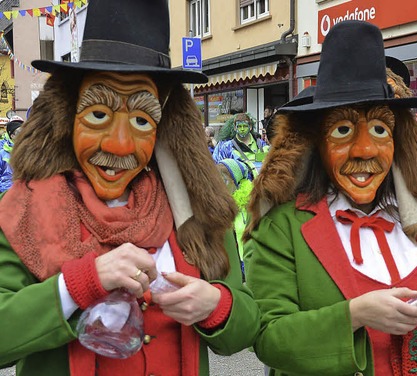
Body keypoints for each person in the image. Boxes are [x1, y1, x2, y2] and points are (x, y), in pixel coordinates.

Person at [0, 0, 260, 374]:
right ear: (66, 113)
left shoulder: (194, 206)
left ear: (164, 124)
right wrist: (79, 285)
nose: (118, 145)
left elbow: (247, 326)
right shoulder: (22, 209)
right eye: (99, 115)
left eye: (141, 120)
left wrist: (216, 305)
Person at [244, 21, 417, 376]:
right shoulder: (281, 229)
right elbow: (269, 339)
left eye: (380, 130)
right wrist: (354, 315)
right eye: (343, 130)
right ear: (317, 141)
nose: (365, 150)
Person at [213, 112, 269, 179]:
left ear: (250, 127)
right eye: (239, 126)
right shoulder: (227, 147)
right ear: (235, 128)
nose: (242, 129)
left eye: (245, 126)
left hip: (260, 185)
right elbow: (220, 171)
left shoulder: (261, 144)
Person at [0, 120, 23, 192]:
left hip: (23, 192)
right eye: (19, 132)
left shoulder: (26, 153)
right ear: (12, 136)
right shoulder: (2, 153)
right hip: (5, 192)